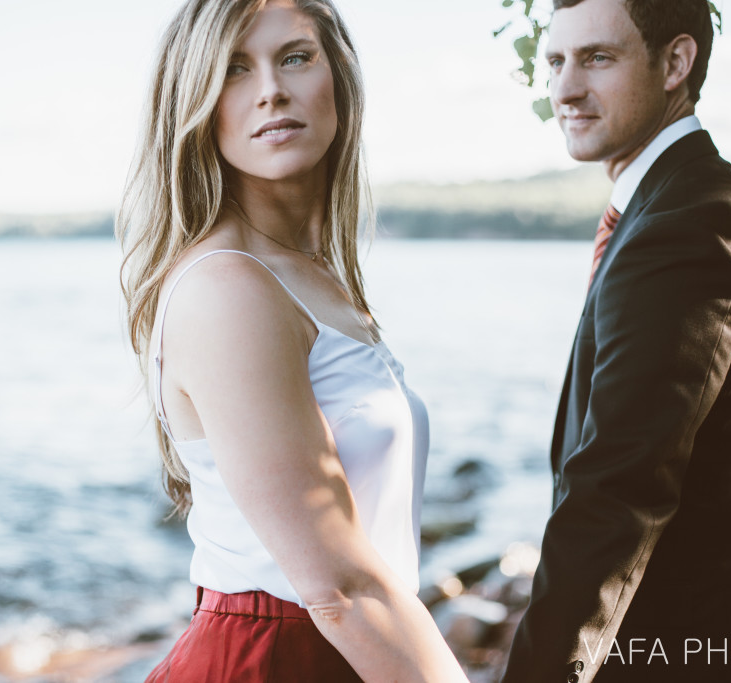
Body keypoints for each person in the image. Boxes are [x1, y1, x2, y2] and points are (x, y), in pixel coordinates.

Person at [116, 1, 468, 681]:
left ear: (337, 74)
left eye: (295, 57)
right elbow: (339, 590)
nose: (270, 89)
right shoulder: (228, 288)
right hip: (273, 661)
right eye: (234, 71)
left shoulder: (314, 276)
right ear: (195, 105)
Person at [501, 1, 731, 681]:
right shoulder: (718, 201)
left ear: (676, 62)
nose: (564, 88)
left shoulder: (683, 231)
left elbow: (615, 495)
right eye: (555, 61)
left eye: (597, 58)